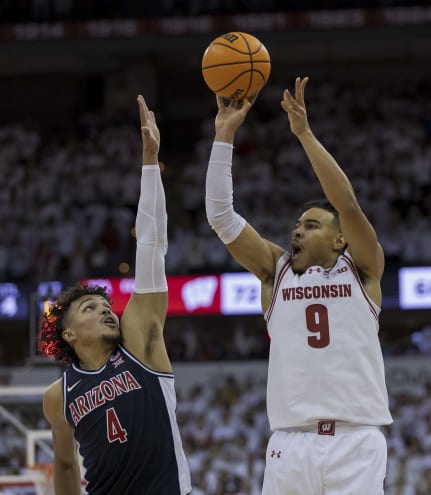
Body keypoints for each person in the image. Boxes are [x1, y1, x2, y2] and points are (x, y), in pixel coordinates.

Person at [205, 76, 393, 494]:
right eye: (297, 226)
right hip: (289, 442)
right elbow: (221, 216)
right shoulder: (276, 271)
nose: (298, 232)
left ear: (339, 239)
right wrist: (224, 137)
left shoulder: (362, 270)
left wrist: (304, 134)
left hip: (356, 438)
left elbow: (346, 203)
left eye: (311, 225)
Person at [39, 95, 192, 495]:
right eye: (91, 308)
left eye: (107, 305)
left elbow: (152, 245)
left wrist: (150, 162)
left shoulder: (139, 341)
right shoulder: (59, 396)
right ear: (68, 333)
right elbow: (65, 462)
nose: (107, 310)